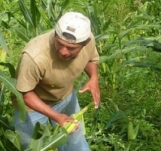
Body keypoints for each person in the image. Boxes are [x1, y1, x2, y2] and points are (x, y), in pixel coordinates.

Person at [13, 12, 100, 150]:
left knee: (75, 142)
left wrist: (93, 78)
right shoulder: (34, 57)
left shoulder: (89, 40)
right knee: (32, 148)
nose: (63, 52)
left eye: (71, 48)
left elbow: (91, 59)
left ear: (85, 43)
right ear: (55, 35)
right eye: (59, 44)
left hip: (65, 97)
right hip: (31, 106)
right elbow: (24, 94)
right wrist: (57, 116)